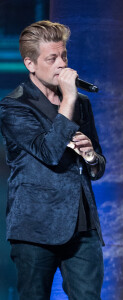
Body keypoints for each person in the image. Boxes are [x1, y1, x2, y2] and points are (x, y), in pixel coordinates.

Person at [0, 20, 106, 300]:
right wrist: (68, 99)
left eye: (64, 56)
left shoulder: (81, 103)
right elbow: (48, 152)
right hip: (35, 227)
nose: (61, 64)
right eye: (52, 58)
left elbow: (98, 165)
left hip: (82, 225)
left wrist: (92, 157)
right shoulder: (14, 107)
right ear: (30, 64)